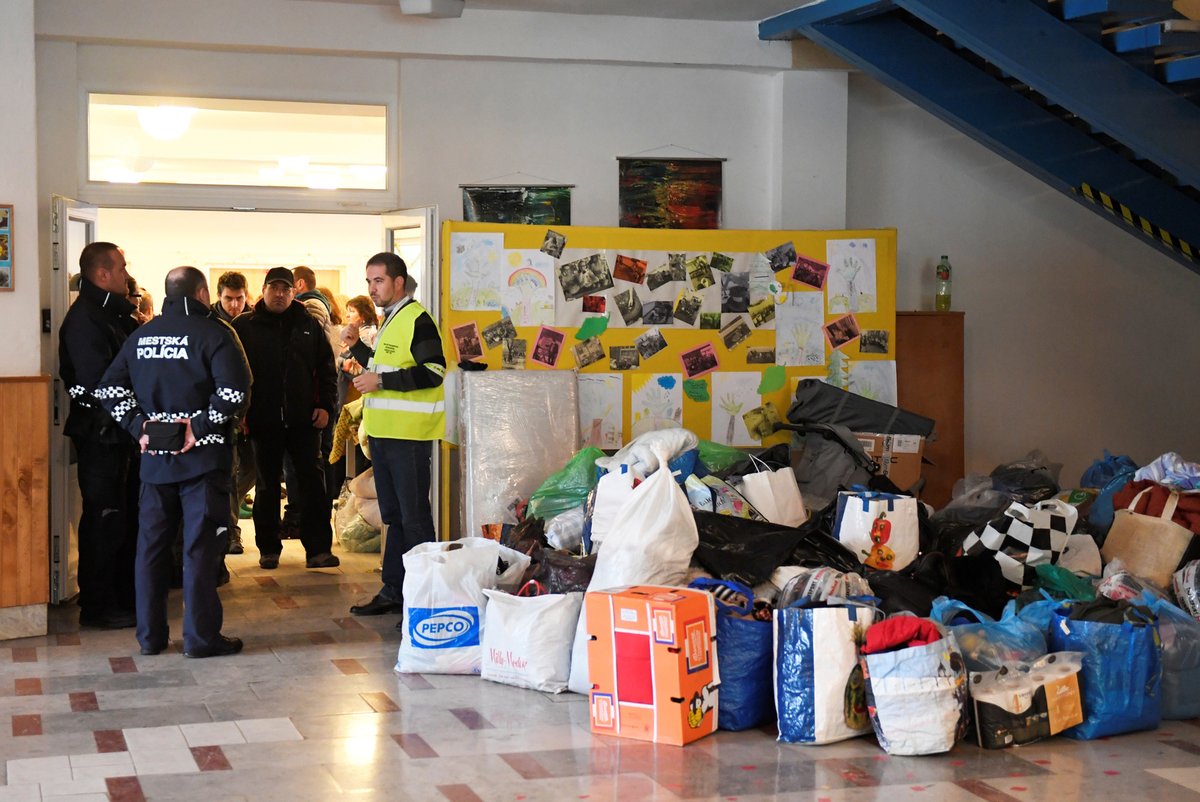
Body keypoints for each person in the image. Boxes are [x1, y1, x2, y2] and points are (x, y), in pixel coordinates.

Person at [96, 266, 250, 658]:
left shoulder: (140, 336)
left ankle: (150, 638)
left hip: (155, 463)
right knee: (200, 549)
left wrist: (140, 427)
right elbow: (235, 393)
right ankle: (200, 639)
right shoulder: (216, 334)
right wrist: (197, 427)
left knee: (150, 549)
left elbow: (109, 389)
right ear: (202, 294)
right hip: (204, 461)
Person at [346, 253, 446, 618]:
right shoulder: (392, 319)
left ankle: (425, 596)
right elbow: (382, 365)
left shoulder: (417, 319)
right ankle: (394, 590)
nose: (372, 289)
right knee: (394, 516)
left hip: (410, 438)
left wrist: (381, 381)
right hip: (386, 437)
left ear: (398, 282)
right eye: (369, 281)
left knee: (415, 517)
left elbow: (433, 372)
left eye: (379, 281)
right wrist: (357, 346)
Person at [233, 267, 339, 570]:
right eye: (274, 288)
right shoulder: (245, 326)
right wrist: (241, 413)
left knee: (312, 485)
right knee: (266, 487)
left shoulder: (308, 325)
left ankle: (318, 549)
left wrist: (326, 407)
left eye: (285, 289)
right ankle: (268, 548)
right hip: (262, 421)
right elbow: (235, 374)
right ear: (264, 290)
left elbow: (326, 371)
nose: (279, 294)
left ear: (294, 292)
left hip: (303, 421)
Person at [59, 242, 140, 629]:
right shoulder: (85, 320)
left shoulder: (113, 313)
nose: (127, 275)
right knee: (104, 519)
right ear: (102, 274)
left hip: (119, 435)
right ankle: (98, 605)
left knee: (123, 517)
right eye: (122, 269)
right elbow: (101, 384)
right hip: (101, 434)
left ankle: (123, 595)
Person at [210, 270, 254, 555]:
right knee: (228, 471)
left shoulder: (251, 323)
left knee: (250, 469)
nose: (234, 305)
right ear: (219, 296)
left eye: (239, 299)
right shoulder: (210, 325)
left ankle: (229, 522)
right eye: (229, 299)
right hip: (221, 413)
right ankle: (230, 532)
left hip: (249, 410)